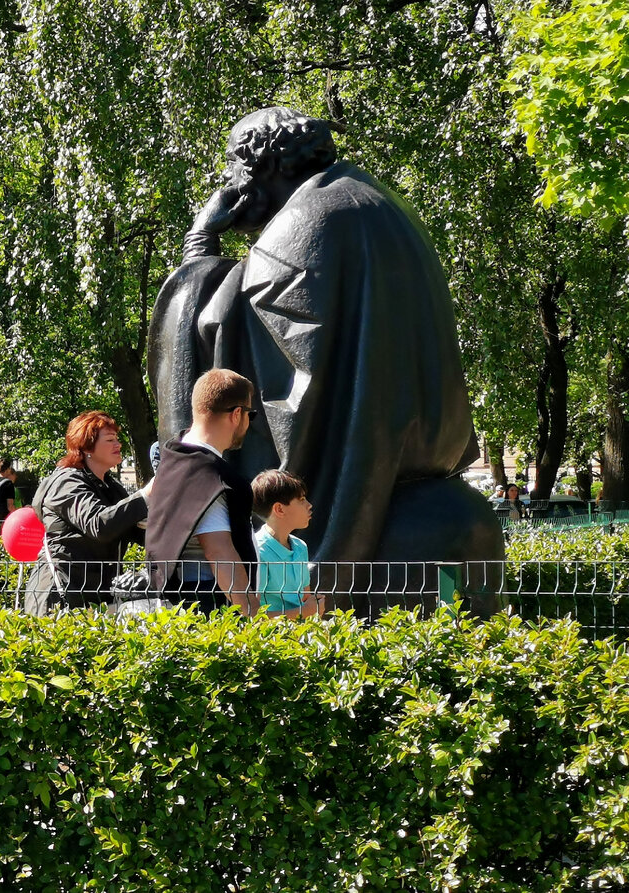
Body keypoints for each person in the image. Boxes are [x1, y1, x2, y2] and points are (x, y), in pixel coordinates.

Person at [148, 106, 503, 570]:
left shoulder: (302, 226)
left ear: (266, 163)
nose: (229, 179)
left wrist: (198, 249)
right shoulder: (381, 205)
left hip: (355, 494)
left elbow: (224, 339)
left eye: (235, 162)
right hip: (423, 470)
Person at [146, 370, 258, 616]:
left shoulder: (172, 459)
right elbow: (219, 552)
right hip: (208, 608)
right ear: (237, 414)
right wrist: (256, 618)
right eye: (251, 414)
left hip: (174, 605)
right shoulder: (208, 475)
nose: (249, 422)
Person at [25, 411, 152, 615]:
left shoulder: (111, 487)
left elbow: (135, 529)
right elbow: (100, 525)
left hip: (96, 597)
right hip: (59, 597)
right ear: (86, 446)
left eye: (117, 439)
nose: (118, 444)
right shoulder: (66, 483)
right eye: (110, 439)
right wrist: (146, 495)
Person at [252, 469, 320, 618]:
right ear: (279, 509)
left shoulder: (300, 546)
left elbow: (305, 598)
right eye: (301, 500)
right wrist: (305, 612)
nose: (309, 505)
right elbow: (251, 617)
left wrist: (314, 609)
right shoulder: (258, 552)